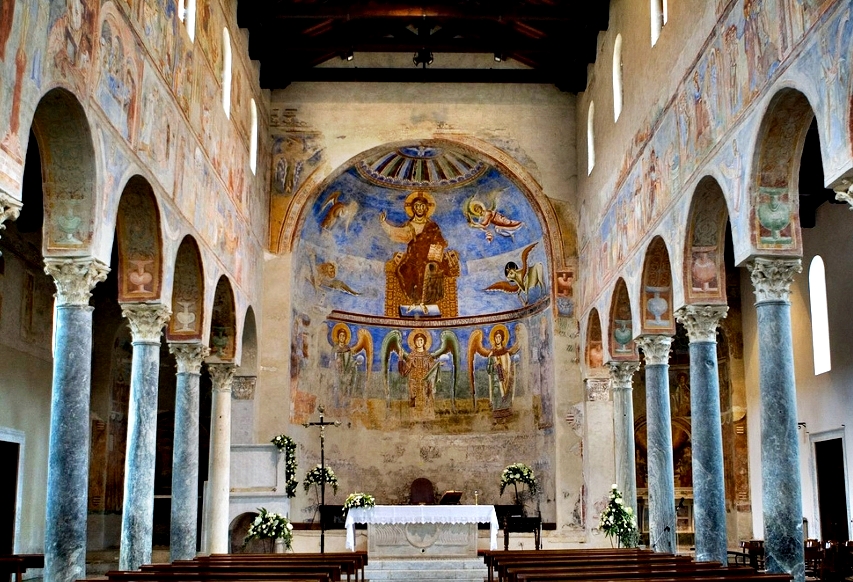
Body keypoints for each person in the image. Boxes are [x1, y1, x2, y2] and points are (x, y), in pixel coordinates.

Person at [380, 191, 452, 307]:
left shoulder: (432, 226)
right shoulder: (409, 225)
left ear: (426, 208)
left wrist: (436, 253)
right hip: (413, 256)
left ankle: (425, 301)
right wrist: (384, 223)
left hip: (430, 256)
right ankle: (414, 299)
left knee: (425, 269)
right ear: (413, 208)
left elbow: (439, 242)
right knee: (402, 270)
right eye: (417, 206)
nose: (419, 208)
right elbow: (396, 233)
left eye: (422, 206)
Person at [398, 331, 439, 420]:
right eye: (417, 341)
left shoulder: (428, 357)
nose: (419, 342)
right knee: (414, 402)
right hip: (414, 385)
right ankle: (414, 422)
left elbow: (432, 371)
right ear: (414, 342)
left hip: (425, 385)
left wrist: (438, 365)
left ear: (424, 342)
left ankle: (427, 423)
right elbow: (404, 372)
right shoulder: (411, 356)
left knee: (426, 401)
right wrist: (401, 360)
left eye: (421, 340)